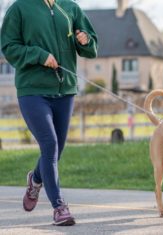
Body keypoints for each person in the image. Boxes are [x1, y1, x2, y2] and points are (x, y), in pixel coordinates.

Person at [1, 0, 98, 226]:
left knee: (56, 150)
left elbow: (92, 49)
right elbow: (8, 47)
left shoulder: (71, 8)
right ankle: (59, 207)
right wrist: (38, 55)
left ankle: (35, 180)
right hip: (33, 90)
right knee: (50, 144)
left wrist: (84, 40)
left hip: (65, 90)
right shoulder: (19, 8)